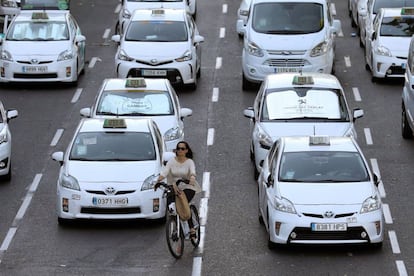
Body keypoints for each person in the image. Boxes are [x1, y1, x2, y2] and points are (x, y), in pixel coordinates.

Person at [157, 141, 201, 240]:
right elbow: (163, 174)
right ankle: (176, 227)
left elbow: (192, 171)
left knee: (183, 203)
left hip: (188, 187)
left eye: (182, 149)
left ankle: (192, 228)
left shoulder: (188, 162)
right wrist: (158, 181)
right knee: (171, 206)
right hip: (173, 189)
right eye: (178, 148)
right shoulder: (168, 165)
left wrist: (192, 178)